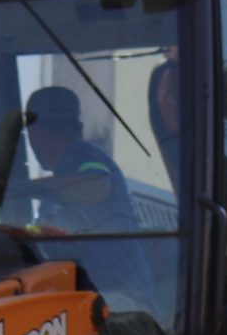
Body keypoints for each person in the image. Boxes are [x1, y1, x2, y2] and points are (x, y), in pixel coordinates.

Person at [17, 84, 137, 234]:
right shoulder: (53, 194)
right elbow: (38, 236)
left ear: (35, 133)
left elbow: (97, 186)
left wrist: (20, 189)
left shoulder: (85, 154)